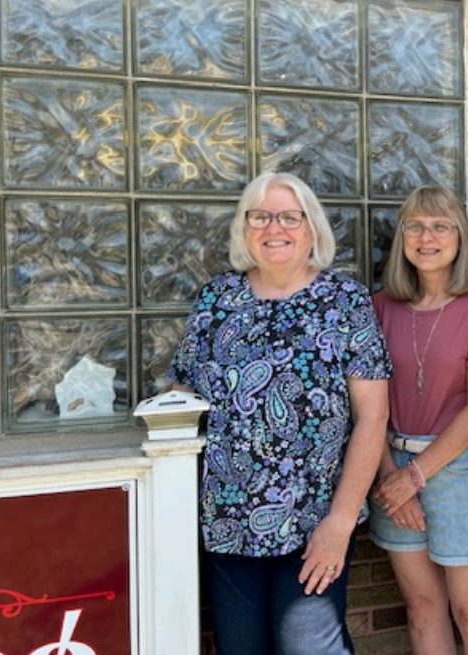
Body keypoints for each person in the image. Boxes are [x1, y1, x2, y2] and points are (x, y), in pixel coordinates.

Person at [167, 171, 392, 655]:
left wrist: (340, 520)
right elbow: (181, 395)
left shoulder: (345, 302)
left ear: (311, 229)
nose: (275, 227)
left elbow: (372, 418)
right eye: (261, 216)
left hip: (316, 519)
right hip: (227, 519)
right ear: (245, 229)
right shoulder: (216, 300)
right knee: (241, 647)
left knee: (310, 646)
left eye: (290, 216)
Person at [368, 186, 468, 655]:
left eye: (440, 226)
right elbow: (370, 408)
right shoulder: (379, 306)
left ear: (460, 236)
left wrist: (416, 475)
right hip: (391, 464)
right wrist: (393, 477)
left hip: (460, 470)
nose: (426, 237)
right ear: (402, 238)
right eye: (415, 226)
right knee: (422, 608)